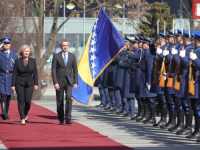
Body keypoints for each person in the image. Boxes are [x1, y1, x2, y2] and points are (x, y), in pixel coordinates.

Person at [51, 39, 78, 125]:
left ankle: (68, 117)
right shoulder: (56, 56)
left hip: (69, 81)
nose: (65, 47)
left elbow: (75, 69)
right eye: (63, 45)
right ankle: (61, 118)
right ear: (61, 46)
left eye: (66, 45)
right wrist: (55, 82)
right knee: (60, 100)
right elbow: (53, 70)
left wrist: (76, 81)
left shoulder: (72, 56)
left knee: (69, 98)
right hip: (59, 81)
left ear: (68, 46)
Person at [11, 45, 38, 125]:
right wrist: (13, 85)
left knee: (28, 101)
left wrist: (36, 84)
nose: (26, 52)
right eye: (25, 51)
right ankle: (22, 118)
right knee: (20, 100)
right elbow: (14, 73)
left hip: (29, 83)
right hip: (19, 82)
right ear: (22, 52)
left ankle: (25, 113)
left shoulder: (33, 61)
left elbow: (35, 73)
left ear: (30, 52)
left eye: (28, 51)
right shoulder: (17, 61)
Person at [0, 37, 18, 120]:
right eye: (4, 43)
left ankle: (6, 113)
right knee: (3, 95)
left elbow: (17, 67)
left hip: (11, 77)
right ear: (2, 44)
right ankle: (3, 111)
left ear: (10, 44)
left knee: (8, 96)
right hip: (1, 76)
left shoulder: (14, 54)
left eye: (8, 43)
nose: (6, 45)